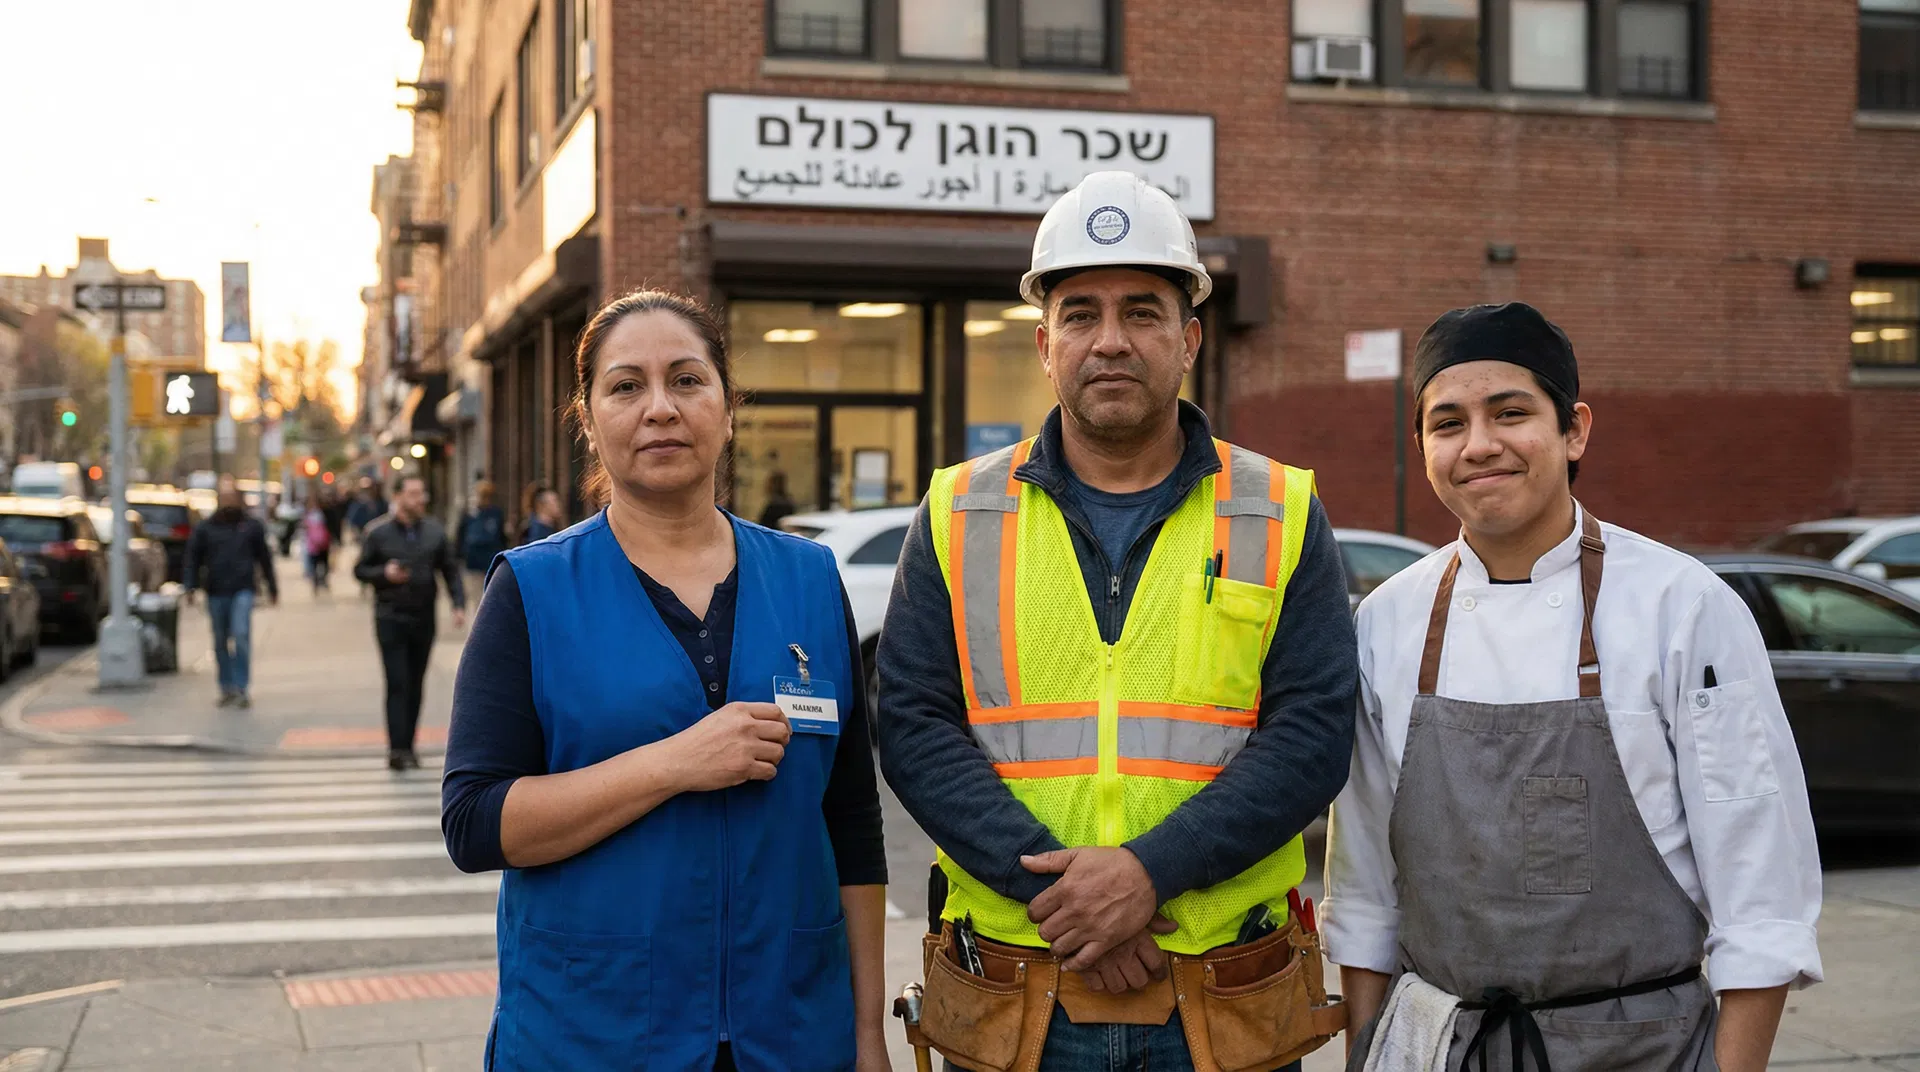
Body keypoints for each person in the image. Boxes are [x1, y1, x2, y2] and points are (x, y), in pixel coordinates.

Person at [878, 171, 1358, 1071]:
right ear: (1043, 343)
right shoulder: (959, 509)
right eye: (1080, 314)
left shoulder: (1280, 508)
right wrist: (1075, 901)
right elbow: (912, 726)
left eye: (1142, 312)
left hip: (1221, 996)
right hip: (1017, 991)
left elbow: (1314, 732)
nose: (1110, 341)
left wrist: (1147, 875)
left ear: (1189, 339)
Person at [1323, 302, 1822, 1071]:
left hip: (1642, 1051)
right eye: (1448, 423)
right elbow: (1364, 899)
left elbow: (1762, 901)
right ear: (1421, 445)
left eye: (1511, 412)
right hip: (1437, 1049)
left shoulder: (1683, 609)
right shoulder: (1385, 622)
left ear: (1575, 429)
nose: (1480, 445)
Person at [440, 289, 890, 1070]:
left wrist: (866, 1036)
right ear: (588, 420)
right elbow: (476, 823)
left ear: (727, 406)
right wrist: (673, 765)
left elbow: (851, 822)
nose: (660, 409)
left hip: (789, 1033)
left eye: (687, 380)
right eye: (626, 386)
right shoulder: (535, 589)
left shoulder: (810, 581)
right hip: (592, 1034)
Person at [354, 475, 466, 771]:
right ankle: (397, 748)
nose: (420, 499)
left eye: (422, 493)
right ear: (399, 496)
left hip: (423, 617)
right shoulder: (377, 532)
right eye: (414, 494)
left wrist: (458, 604)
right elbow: (360, 569)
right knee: (397, 682)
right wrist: (383, 573)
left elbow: (449, 569)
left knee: (416, 683)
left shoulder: (433, 531)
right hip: (390, 617)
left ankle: (410, 746)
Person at [182, 483, 279, 709]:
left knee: (241, 634)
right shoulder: (206, 528)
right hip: (216, 590)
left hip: (242, 588)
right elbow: (193, 558)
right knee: (220, 639)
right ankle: (226, 686)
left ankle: (241, 686)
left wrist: (272, 587)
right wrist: (190, 586)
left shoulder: (251, 526)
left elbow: (264, 558)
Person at [454, 479, 507, 590]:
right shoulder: (493, 513)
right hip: (483, 560)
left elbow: (460, 535)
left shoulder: (473, 513)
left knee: (478, 595)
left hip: (478, 559)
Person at [301, 490, 333, 595]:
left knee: (323, 563)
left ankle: (322, 580)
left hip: (322, 543)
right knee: (316, 564)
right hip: (313, 544)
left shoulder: (325, 512)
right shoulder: (307, 514)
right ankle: (317, 582)